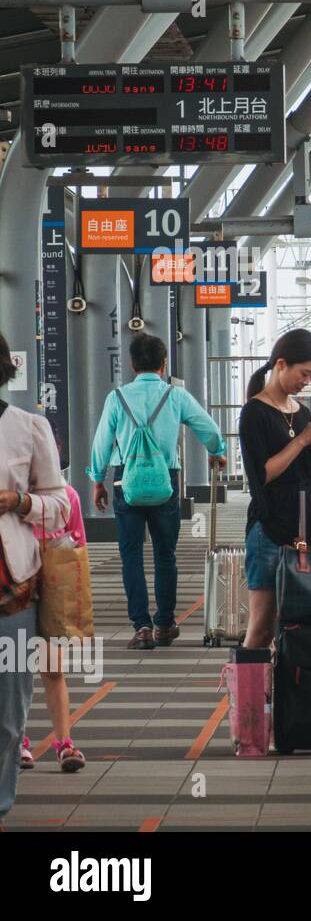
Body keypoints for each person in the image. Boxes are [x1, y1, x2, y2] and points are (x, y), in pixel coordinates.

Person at [88, 333, 228, 649]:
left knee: (131, 556)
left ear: (132, 364)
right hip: (167, 480)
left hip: (127, 482)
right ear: (164, 364)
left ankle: (142, 628)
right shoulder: (175, 396)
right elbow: (208, 428)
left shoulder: (117, 398)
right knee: (166, 555)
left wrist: (98, 480)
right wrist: (216, 451)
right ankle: (165, 624)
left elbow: (101, 444)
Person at [0, 331, 71, 825]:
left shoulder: (28, 428)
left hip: (12, 591)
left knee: (8, 712)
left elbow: (62, 505)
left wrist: (21, 502)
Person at [239, 330, 311, 649]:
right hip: (269, 529)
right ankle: (248, 700)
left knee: (300, 626)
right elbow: (262, 476)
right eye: (304, 373)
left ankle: (286, 696)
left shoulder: (302, 412)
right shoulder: (254, 412)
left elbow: (309, 476)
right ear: (281, 364)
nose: (306, 381)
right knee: (261, 630)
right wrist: (302, 440)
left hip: (306, 528)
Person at [20, 421, 88, 773]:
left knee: (52, 668)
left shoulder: (69, 496)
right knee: (13, 667)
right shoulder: (10, 498)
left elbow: (77, 549)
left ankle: (64, 743)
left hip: (51, 592)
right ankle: (18, 741)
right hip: (14, 591)